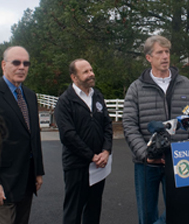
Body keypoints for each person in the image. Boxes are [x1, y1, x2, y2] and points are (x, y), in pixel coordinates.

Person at [123, 35, 189, 224]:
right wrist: (145, 153)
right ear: (149, 57)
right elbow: (129, 124)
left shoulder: (185, 84)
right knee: (147, 214)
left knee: (178, 210)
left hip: (179, 161)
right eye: (160, 52)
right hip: (147, 163)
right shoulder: (136, 88)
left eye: (167, 52)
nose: (165, 56)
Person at [0, 46, 45, 224]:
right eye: (16, 62)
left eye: (26, 63)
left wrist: (38, 171)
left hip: (27, 179)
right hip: (2, 182)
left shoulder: (30, 95)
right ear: (3, 65)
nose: (22, 67)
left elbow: (34, 136)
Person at [54, 59, 113, 224]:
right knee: (74, 212)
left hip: (99, 165)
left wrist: (106, 150)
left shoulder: (98, 96)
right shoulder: (65, 102)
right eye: (85, 72)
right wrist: (91, 156)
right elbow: (68, 136)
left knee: (93, 210)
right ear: (74, 77)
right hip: (77, 166)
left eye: (91, 70)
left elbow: (107, 125)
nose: (91, 74)